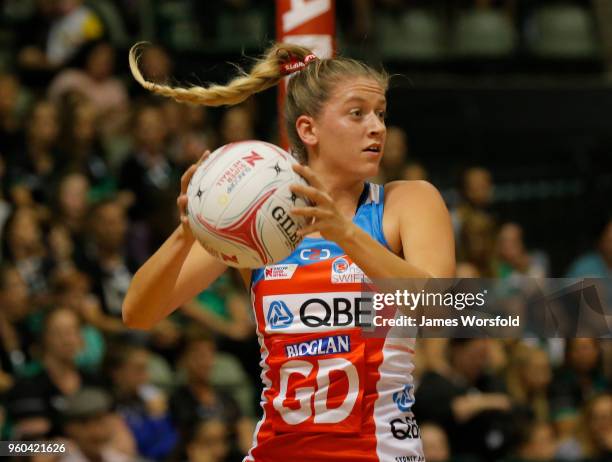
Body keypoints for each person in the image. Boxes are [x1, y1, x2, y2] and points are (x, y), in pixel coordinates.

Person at [123, 42, 455, 461]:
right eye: (358, 113)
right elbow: (138, 314)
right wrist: (189, 231)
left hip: (379, 452)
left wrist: (345, 234)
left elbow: (440, 307)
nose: (377, 128)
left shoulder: (407, 202)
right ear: (308, 130)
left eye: (381, 114)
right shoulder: (259, 224)